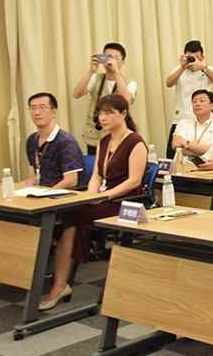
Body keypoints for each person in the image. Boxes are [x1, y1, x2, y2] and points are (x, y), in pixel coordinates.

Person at [43, 94, 147, 310]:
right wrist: (91, 196)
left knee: (71, 217)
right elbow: (97, 176)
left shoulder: (135, 142)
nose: (103, 117)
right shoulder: (103, 141)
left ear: (124, 114)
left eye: (109, 113)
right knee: (70, 213)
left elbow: (134, 181)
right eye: (100, 113)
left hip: (124, 202)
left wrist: (104, 196)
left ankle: (60, 283)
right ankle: (59, 280)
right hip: (102, 199)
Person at [71, 42, 138, 154]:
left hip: (118, 136)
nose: (110, 60)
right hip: (95, 135)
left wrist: (116, 72)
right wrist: (91, 71)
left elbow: (126, 100)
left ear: (123, 62)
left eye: (115, 57)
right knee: (94, 163)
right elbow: (76, 94)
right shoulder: (95, 78)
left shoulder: (130, 82)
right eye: (107, 57)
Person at [164, 40, 213, 158]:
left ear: (202, 57)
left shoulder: (207, 69)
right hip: (181, 118)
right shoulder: (179, 69)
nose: (193, 61)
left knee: (205, 150)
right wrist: (182, 67)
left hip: (203, 119)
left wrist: (202, 67)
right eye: (190, 57)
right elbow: (168, 83)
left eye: (197, 57)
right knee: (172, 154)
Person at [22, 93, 84, 189]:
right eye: (33, 108)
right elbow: (37, 172)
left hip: (63, 194)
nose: (37, 112)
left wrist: (48, 193)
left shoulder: (65, 141)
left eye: (42, 107)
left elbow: (71, 181)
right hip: (40, 191)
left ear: (54, 112)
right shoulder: (32, 140)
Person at [171, 89, 213, 160]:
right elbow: (175, 145)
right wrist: (200, 151)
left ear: (212, 106)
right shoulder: (183, 123)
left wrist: (186, 143)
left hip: (208, 164)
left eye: (202, 101)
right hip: (183, 164)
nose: (197, 104)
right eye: (194, 102)